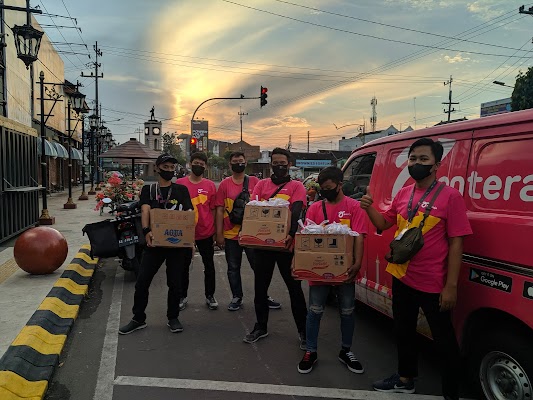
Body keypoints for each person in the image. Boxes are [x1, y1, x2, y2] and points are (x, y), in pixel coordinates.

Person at [360, 138, 472, 398]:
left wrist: (451, 287)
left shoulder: (450, 196)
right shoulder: (404, 193)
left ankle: (450, 393)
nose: (417, 164)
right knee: (403, 331)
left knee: (445, 342)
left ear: (437, 164)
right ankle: (405, 379)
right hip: (402, 276)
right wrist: (368, 208)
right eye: (413, 159)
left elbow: (457, 244)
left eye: (423, 159)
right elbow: (385, 223)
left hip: (433, 283)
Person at [297, 166, 367, 374]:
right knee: (315, 311)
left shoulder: (355, 207)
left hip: (345, 270)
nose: (325, 191)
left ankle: (346, 350)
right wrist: (300, 265)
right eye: (322, 188)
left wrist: (357, 262)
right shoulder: (315, 208)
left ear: (339, 185)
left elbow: (359, 236)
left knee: (347, 311)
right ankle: (311, 351)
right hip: (318, 270)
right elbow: (306, 239)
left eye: (329, 187)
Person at [119, 154, 194, 335]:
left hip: (177, 245)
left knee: (175, 283)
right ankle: (138, 318)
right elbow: (145, 210)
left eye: (171, 167)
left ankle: (173, 317)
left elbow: (189, 213)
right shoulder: (149, 190)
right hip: (154, 244)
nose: (169, 170)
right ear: (157, 168)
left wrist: (190, 241)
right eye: (165, 167)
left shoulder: (181, 190)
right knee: (142, 281)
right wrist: (146, 231)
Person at [242, 147, 307, 347]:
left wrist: (290, 235)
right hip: (262, 246)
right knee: (260, 288)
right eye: (276, 162)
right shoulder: (261, 185)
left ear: (289, 164)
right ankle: (260, 326)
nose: (279, 166)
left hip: (285, 245)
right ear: (271, 164)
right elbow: (255, 211)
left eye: (283, 163)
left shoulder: (297, 186)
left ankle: (304, 331)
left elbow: (296, 212)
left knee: (294, 289)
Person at [215, 151, 281, 311]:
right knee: (233, 267)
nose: (239, 163)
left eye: (241, 160)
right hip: (231, 233)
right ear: (230, 165)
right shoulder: (224, 184)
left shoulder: (255, 181)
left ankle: (263, 296)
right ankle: (237, 297)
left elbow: (265, 205)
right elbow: (219, 210)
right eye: (235, 161)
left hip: (252, 234)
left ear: (246, 163)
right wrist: (218, 234)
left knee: (259, 267)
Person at [177, 152, 218, 311]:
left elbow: (213, 209)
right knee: (183, 266)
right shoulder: (180, 184)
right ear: (190, 163)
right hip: (186, 234)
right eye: (196, 163)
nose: (198, 166)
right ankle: (182, 296)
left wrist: (214, 231)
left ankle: (210, 295)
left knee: (209, 265)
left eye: (202, 164)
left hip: (206, 232)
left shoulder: (209, 185)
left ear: (205, 166)